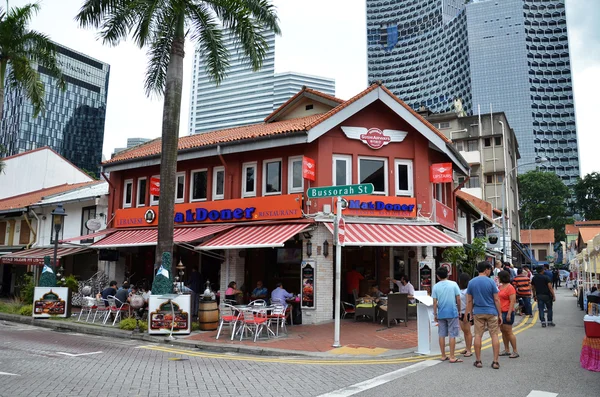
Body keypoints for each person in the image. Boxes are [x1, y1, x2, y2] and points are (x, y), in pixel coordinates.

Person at [465, 261, 502, 370]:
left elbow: (470, 301)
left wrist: (469, 313)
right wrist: (500, 314)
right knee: (494, 335)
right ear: (486, 269)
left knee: (478, 335)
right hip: (492, 312)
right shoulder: (491, 282)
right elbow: (496, 299)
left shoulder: (471, 282)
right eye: (489, 269)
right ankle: (495, 362)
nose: (490, 271)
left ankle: (478, 361)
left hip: (478, 312)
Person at [432, 267, 462, 363]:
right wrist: (459, 310)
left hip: (441, 313)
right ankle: (452, 356)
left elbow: (435, 302)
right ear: (447, 274)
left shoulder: (435, 286)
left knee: (441, 334)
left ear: (437, 276)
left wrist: (435, 314)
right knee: (452, 334)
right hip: (452, 312)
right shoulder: (453, 284)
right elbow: (458, 298)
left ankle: (443, 355)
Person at [498, 270, 519, 359]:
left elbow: (512, 301)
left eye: (498, 277)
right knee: (503, 331)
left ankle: (515, 351)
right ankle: (506, 349)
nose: (497, 278)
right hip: (501, 312)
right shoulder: (500, 287)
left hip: (507, 311)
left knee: (509, 331)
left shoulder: (510, 287)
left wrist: (509, 313)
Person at [458, 273, 473, 357]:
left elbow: (468, 303)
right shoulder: (460, 290)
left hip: (465, 312)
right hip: (461, 312)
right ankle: (467, 348)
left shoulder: (468, 290)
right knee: (464, 331)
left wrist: (467, 314)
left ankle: (469, 350)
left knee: (468, 332)